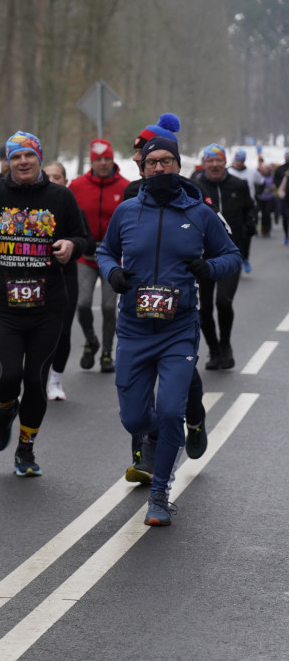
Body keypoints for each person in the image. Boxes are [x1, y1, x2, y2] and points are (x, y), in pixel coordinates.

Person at [96, 135, 240, 526]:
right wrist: (112, 273)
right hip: (134, 327)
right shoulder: (127, 212)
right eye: (152, 163)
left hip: (178, 327)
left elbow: (231, 255)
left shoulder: (200, 213)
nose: (159, 168)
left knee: (171, 409)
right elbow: (104, 250)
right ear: (141, 169)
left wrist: (208, 269)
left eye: (167, 162)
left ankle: (160, 493)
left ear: (178, 166)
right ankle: (164, 436)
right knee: (134, 420)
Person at [0, 132, 91, 476]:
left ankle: (26, 449)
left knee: (36, 381)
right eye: (16, 156)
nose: (22, 162)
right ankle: (7, 407)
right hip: (7, 305)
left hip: (48, 306)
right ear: (7, 161)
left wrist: (72, 245)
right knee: (6, 377)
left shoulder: (60, 196)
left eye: (29, 155)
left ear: (39, 158)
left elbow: (85, 237)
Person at [117, 114, 209, 479]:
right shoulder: (130, 195)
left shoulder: (190, 193)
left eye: (149, 153)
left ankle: (195, 419)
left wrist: (202, 266)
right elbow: (118, 239)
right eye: (140, 155)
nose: (142, 160)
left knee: (183, 378)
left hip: (181, 299)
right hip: (138, 301)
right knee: (137, 385)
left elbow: (214, 238)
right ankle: (145, 454)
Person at [68, 139, 129, 375]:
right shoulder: (76, 186)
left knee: (107, 306)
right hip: (85, 256)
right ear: (91, 162)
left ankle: (106, 352)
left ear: (113, 160)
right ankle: (91, 340)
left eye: (107, 159)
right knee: (82, 304)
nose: (103, 164)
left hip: (113, 257)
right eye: (98, 160)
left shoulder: (125, 187)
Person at [193, 144, 252, 370]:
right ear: (205, 163)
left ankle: (226, 346)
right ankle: (214, 350)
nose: (215, 165)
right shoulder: (195, 185)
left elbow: (249, 208)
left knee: (223, 301)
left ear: (225, 162)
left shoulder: (239, 184)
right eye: (210, 161)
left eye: (219, 160)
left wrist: (249, 225)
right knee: (204, 307)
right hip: (203, 256)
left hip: (230, 254)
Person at [41, 162, 90, 402]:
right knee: (38, 332)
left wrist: (70, 244)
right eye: (47, 176)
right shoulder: (31, 208)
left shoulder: (73, 209)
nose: (52, 180)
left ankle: (56, 380)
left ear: (66, 181)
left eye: (57, 176)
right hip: (35, 277)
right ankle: (37, 376)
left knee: (62, 330)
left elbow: (86, 241)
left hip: (64, 276)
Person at [226, 148, 263, 271]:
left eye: (241, 161)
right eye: (237, 160)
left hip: (248, 208)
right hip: (231, 208)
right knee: (232, 236)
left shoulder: (252, 172)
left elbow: (261, 182)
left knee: (247, 234)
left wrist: (258, 195)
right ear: (234, 160)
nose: (239, 163)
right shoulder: (227, 172)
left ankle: (245, 258)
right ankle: (234, 260)